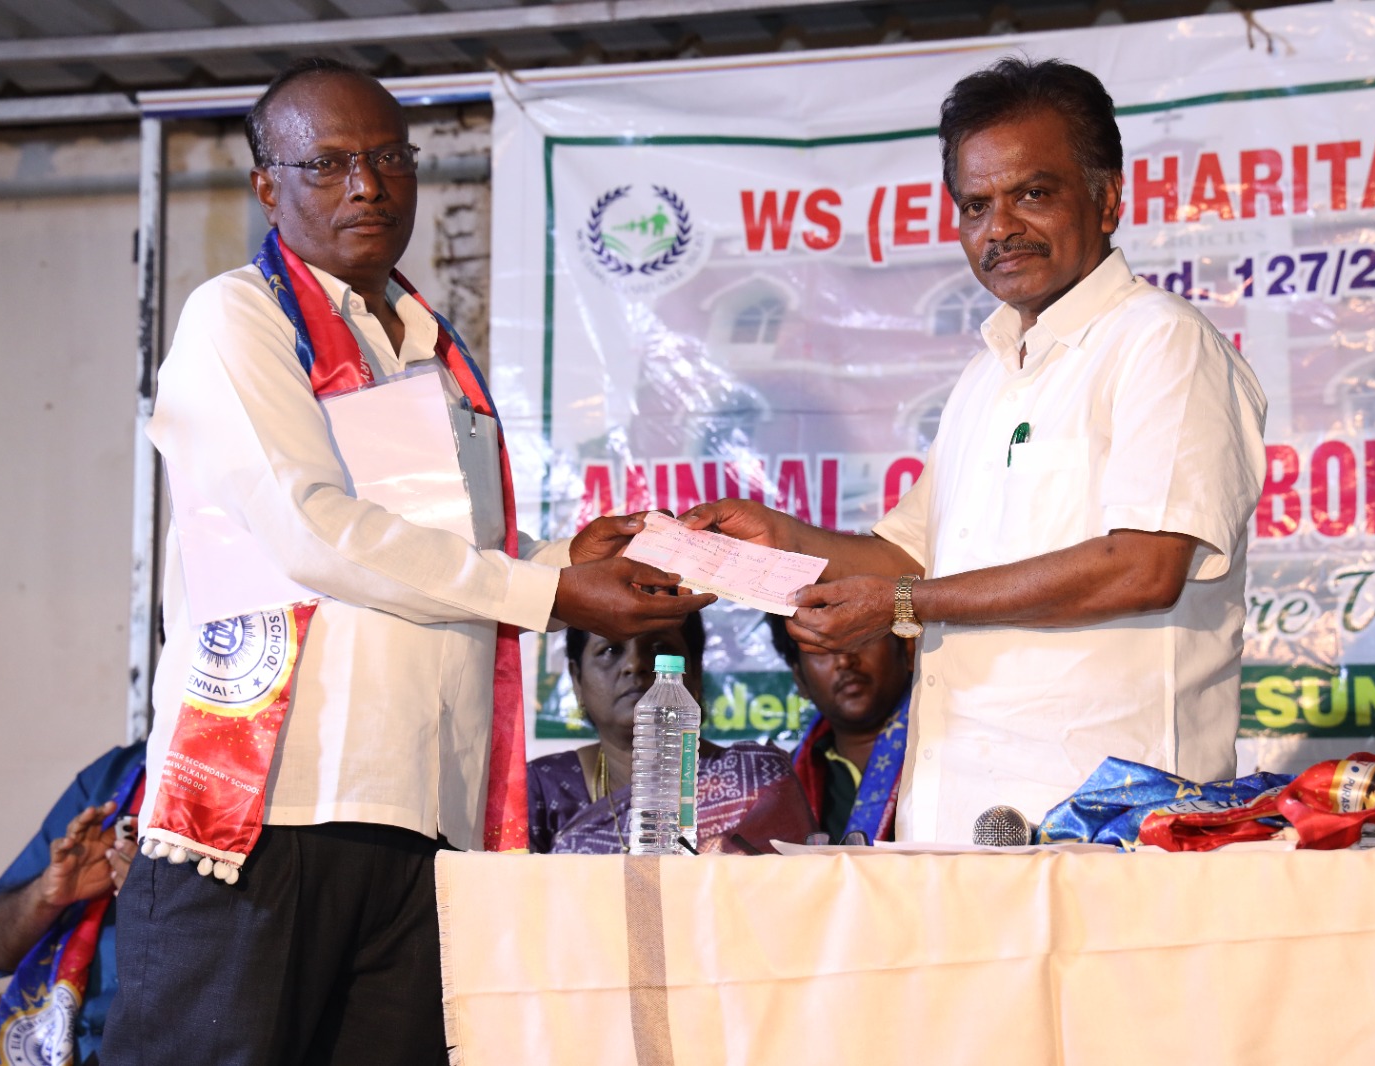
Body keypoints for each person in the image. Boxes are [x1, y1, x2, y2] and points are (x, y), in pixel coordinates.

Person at [102, 58, 710, 1066]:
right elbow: (312, 530)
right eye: (329, 163)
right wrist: (551, 590)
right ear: (266, 186)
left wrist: (569, 557)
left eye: (388, 158)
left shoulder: (431, 345)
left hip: (424, 807)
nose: (367, 187)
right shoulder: (238, 317)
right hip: (275, 805)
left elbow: (447, 552)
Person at [683, 57, 1267, 842]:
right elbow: (907, 556)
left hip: (1111, 821)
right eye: (976, 205)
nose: (1001, 228)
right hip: (959, 816)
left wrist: (903, 604)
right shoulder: (987, 376)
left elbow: (1144, 566)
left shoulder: (1161, 343)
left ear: (1107, 198)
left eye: (1033, 194)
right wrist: (780, 539)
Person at [527, 613, 815, 854]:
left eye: (660, 648)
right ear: (577, 678)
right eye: (611, 650)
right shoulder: (544, 787)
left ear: (695, 670)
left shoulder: (757, 780)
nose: (635, 664)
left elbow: (795, 895)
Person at [0, 742, 145, 1066]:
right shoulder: (119, 773)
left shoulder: (238, 795)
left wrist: (168, 902)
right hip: (44, 1039)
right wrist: (45, 895)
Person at [767, 616, 911, 843]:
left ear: (907, 648)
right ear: (800, 679)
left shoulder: (952, 753)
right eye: (820, 648)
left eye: (861, 636)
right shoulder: (784, 787)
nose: (844, 660)